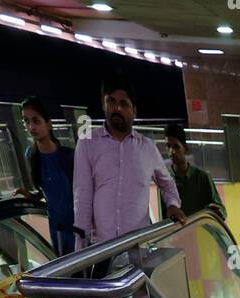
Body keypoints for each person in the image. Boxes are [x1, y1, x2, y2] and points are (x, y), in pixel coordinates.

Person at [73, 73, 185, 261]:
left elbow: (167, 184)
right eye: (111, 101)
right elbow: (81, 198)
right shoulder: (87, 144)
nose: (117, 108)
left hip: (139, 249)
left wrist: (173, 205)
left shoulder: (147, 148)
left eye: (124, 103)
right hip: (102, 250)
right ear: (103, 103)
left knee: (141, 290)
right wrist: (80, 255)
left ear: (134, 110)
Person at [16, 97, 76, 256]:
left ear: (49, 124)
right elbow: (46, 190)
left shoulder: (68, 156)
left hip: (77, 227)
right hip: (56, 229)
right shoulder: (31, 155)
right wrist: (31, 196)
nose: (31, 127)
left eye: (36, 121)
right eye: (26, 121)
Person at [161, 123, 225, 220]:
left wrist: (216, 210)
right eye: (168, 146)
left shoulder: (203, 178)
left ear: (185, 148)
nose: (172, 152)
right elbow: (164, 218)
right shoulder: (165, 181)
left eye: (176, 147)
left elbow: (221, 210)